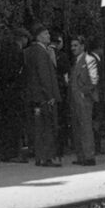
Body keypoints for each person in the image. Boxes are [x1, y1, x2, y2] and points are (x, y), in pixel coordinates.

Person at [24, 23, 61, 167]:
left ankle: (40, 156)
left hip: (35, 96)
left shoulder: (29, 51)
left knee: (38, 128)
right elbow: (44, 75)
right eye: (46, 34)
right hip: (44, 96)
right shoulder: (41, 52)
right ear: (39, 36)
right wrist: (50, 95)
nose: (49, 36)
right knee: (48, 127)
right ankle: (48, 157)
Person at [0, 27, 30, 163]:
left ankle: (7, 152)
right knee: (14, 122)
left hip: (4, 91)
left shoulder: (4, 51)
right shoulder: (17, 52)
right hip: (14, 92)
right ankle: (13, 152)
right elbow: (18, 72)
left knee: (6, 122)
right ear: (23, 38)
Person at [69, 34, 100, 166]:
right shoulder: (77, 60)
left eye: (76, 45)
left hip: (84, 99)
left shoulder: (89, 59)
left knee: (86, 128)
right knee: (78, 127)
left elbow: (94, 80)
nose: (73, 48)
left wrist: (84, 92)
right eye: (72, 46)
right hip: (75, 99)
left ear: (83, 46)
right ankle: (81, 156)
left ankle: (89, 156)